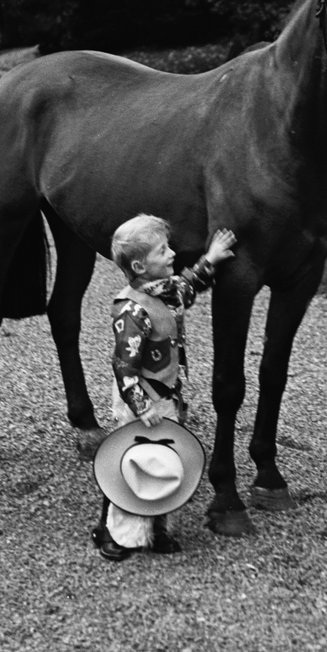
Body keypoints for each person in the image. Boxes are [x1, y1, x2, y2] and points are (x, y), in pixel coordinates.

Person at [91, 214, 236, 561]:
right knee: (134, 462)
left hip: (165, 394)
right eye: (162, 251)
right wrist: (141, 405)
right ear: (140, 265)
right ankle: (119, 535)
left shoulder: (164, 291)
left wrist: (210, 259)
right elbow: (124, 365)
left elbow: (187, 287)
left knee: (162, 461)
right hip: (142, 397)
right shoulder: (131, 309)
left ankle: (156, 530)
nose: (172, 254)